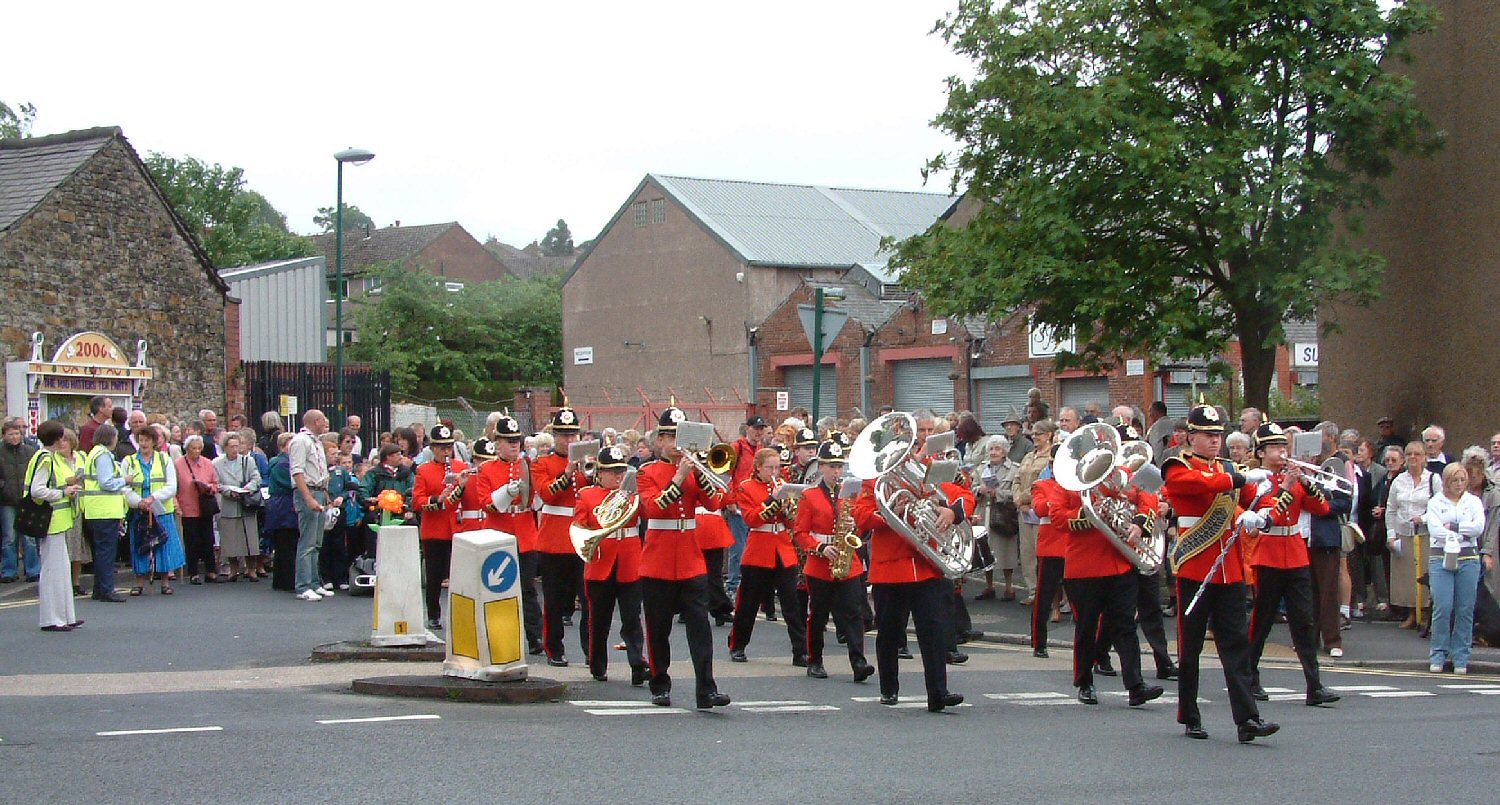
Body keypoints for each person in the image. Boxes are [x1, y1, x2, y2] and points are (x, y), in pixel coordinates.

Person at [1161, 402, 1278, 742]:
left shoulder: (1228, 467)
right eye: (1208, 435)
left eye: (1218, 435)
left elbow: (1257, 496)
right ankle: (1189, 714)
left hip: (1228, 569)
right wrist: (1239, 478)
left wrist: (1261, 514)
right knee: (1190, 647)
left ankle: (1247, 720)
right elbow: (1198, 485)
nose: (1215, 441)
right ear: (1191, 437)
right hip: (1195, 566)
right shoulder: (1177, 465)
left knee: (1236, 645)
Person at [853, 415, 975, 712]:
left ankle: (938, 692)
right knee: (890, 632)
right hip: (890, 568)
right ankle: (889, 687)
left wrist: (952, 515)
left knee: (934, 631)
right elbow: (860, 517)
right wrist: (888, 512)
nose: (905, 455)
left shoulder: (928, 471)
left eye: (909, 448)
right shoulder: (874, 481)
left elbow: (963, 496)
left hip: (927, 565)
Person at [1054, 429, 1164, 708]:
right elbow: (1057, 516)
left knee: (1125, 625)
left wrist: (1139, 523)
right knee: (1087, 628)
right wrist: (1091, 514)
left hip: (1119, 564)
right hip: (1084, 568)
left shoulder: (1120, 476)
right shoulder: (1068, 482)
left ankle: (1136, 686)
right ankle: (1084, 682)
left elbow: (1147, 495)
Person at [635, 406, 732, 709]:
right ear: (660, 440)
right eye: (672, 438)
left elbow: (714, 503)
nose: (677, 444)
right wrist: (679, 477)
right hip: (658, 560)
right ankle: (659, 683)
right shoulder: (646, 472)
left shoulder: (693, 471)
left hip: (691, 559)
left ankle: (706, 689)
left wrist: (698, 473)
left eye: (682, 438)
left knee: (700, 627)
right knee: (659, 628)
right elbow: (654, 509)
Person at [1242, 423, 1341, 706]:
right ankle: (1249, 678)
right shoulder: (1256, 482)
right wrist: (1287, 487)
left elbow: (1322, 508)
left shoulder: (1295, 479)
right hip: (1269, 553)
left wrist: (1308, 484)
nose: (1281, 453)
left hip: (1296, 553)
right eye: (1274, 448)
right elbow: (1270, 513)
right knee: (1261, 622)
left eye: (1283, 447)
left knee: (1304, 622)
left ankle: (1315, 685)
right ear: (1260, 452)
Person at [793, 440, 874, 682]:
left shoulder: (849, 495)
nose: (837, 472)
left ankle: (858, 661)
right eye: (832, 467)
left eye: (839, 467)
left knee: (853, 612)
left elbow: (861, 529)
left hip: (847, 562)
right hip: (820, 563)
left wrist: (854, 526)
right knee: (818, 614)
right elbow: (799, 533)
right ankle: (814, 660)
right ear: (821, 467)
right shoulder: (809, 496)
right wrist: (819, 548)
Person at [574, 444, 649, 686]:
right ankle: (597, 664)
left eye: (620, 471)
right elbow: (580, 526)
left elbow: (647, 516)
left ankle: (638, 664)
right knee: (599, 618)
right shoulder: (587, 495)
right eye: (612, 472)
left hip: (629, 560)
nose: (618, 476)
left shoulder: (631, 494)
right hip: (600, 561)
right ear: (600, 473)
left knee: (632, 617)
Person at [728, 447, 807, 666]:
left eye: (778, 467)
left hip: (783, 548)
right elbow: (752, 519)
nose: (775, 472)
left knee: (791, 604)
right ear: (759, 468)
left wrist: (791, 506)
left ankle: (800, 651)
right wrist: (773, 500)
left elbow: (793, 521)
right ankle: (738, 645)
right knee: (748, 603)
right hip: (758, 550)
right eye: (770, 468)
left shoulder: (783, 486)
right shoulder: (747, 488)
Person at [477, 415, 543, 654]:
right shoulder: (486, 469)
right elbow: (487, 503)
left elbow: (538, 500)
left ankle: (535, 638)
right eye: (508, 440)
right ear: (498, 443)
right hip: (498, 533)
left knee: (527, 590)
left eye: (516, 440)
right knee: (498, 590)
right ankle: (499, 636)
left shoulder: (529, 466)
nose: (514, 444)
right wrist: (506, 492)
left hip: (525, 534)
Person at [533, 408, 591, 666]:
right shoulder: (542, 463)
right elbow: (547, 494)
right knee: (554, 601)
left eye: (572, 435)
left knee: (589, 599)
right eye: (563, 435)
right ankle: (554, 648)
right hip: (555, 539)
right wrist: (567, 473)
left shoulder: (587, 462)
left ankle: (591, 648)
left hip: (583, 538)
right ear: (554, 436)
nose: (568, 440)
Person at [1425, 462, 1487, 673]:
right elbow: (1435, 530)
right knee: (1442, 606)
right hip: (1440, 557)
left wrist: (1455, 527)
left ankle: (1461, 655)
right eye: (1454, 480)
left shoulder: (1473, 502)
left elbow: (1478, 527)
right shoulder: (1435, 502)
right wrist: (1459, 534)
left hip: (1468, 558)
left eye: (1462, 480)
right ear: (1446, 482)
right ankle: (1438, 653)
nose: (1459, 484)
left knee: (1465, 608)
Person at [25, 420, 84, 631]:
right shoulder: (45, 459)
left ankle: (66, 616)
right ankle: (52, 619)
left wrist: (66, 484)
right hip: (49, 521)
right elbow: (37, 490)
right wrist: (63, 492)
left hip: (56, 522)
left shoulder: (48, 458)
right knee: (52, 571)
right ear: (58, 439)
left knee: (61, 569)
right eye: (62, 437)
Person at [412, 424, 465, 628]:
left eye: (448, 447)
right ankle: (433, 614)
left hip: (457, 527)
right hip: (434, 529)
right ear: (432, 448)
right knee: (434, 575)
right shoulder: (424, 470)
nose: (446, 452)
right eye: (441, 447)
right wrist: (437, 499)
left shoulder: (460, 467)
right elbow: (417, 501)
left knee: (459, 575)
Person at [122, 425, 186, 596]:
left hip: (161, 509)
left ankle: (165, 582)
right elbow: (124, 488)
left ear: (154, 442)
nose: (143, 444)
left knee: (163, 545)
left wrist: (153, 498)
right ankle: (139, 583)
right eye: (140, 440)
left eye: (147, 440)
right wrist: (139, 502)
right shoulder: (129, 461)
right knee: (140, 545)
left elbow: (172, 486)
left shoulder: (164, 459)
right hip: (139, 510)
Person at [1387, 441, 1434, 629]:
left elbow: (1440, 507)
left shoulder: (1433, 479)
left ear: (1424, 457)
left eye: (1417, 454)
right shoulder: (1399, 481)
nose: (1413, 457)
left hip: (1426, 535)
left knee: (1425, 574)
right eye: (1409, 454)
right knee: (1406, 577)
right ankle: (1411, 614)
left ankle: (1425, 614)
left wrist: (1422, 519)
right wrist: (1391, 535)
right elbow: (1391, 509)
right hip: (1403, 534)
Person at [288, 410, 332, 602]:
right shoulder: (300, 441)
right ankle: (303, 585)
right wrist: (308, 498)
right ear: (315, 421)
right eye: (323, 420)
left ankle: (314, 582)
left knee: (316, 541)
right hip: (308, 491)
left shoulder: (315, 441)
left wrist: (325, 496)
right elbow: (297, 471)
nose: (326, 423)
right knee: (307, 541)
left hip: (319, 490)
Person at [80, 423, 128, 601]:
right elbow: (106, 483)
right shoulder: (103, 455)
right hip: (104, 510)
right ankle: (106, 589)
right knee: (106, 553)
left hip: (95, 509)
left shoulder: (94, 453)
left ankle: (99, 588)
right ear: (111, 438)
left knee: (101, 552)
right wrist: (124, 480)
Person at [724, 415, 769, 598]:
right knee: (738, 548)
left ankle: (751, 584)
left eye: (761, 429)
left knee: (753, 547)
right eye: (756, 428)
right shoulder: (737, 448)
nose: (758, 432)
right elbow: (727, 476)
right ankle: (733, 586)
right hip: (739, 504)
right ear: (747, 428)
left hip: (756, 504)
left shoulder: (761, 449)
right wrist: (730, 500)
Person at [1013, 420, 1057, 607]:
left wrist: (1024, 499)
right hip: (1023, 512)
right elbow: (1017, 478)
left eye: (1038, 433)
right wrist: (1017, 499)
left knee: (1043, 555)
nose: (1034, 436)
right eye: (1033, 433)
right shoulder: (1029, 456)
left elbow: (1042, 483)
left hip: (1040, 511)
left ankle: (1048, 594)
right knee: (1027, 552)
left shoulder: (1051, 457)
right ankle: (1033, 591)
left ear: (1048, 435)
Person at [974, 436, 1020, 601]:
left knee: (1007, 550)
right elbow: (971, 488)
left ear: (1004, 452)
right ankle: (989, 586)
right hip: (984, 512)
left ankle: (1009, 587)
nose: (993, 452)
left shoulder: (1014, 469)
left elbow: (1016, 493)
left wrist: (997, 494)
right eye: (991, 449)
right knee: (985, 550)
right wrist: (979, 490)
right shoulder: (980, 469)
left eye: (997, 449)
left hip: (1004, 515)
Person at [213, 433, 262, 582]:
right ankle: (233, 570)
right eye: (231, 446)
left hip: (246, 502)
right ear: (225, 447)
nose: (235, 449)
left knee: (250, 539)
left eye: (237, 446)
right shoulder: (216, 463)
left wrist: (247, 488)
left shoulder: (248, 461)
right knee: (231, 539)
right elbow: (216, 483)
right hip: (228, 504)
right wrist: (229, 491)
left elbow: (256, 478)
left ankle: (251, 569)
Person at [175, 434, 220, 585]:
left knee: (208, 539)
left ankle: (211, 571)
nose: (196, 451)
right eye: (193, 448)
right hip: (188, 506)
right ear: (187, 449)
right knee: (191, 540)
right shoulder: (178, 464)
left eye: (199, 448)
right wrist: (176, 505)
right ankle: (193, 572)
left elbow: (215, 484)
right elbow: (175, 487)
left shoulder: (208, 463)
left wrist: (208, 488)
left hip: (205, 505)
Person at [1, 419, 40, 583]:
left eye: (17, 433)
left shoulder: (30, 451)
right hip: (6, 500)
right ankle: (9, 571)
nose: (14, 437)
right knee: (9, 537)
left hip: (27, 498)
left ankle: (33, 570)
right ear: (4, 435)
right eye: (10, 434)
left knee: (29, 538)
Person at [53, 429, 92, 596]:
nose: (62, 444)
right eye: (59, 441)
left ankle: (76, 582)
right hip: (62, 509)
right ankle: (63, 584)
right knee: (64, 549)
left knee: (77, 548)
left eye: (65, 441)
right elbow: (54, 480)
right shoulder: (53, 459)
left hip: (80, 507)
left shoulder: (82, 457)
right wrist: (68, 481)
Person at [263, 432, 298, 589]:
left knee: (284, 544)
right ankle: (287, 580)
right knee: (287, 544)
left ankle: (281, 580)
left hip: (279, 506)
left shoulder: (277, 462)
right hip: (284, 506)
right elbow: (291, 483)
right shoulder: (282, 464)